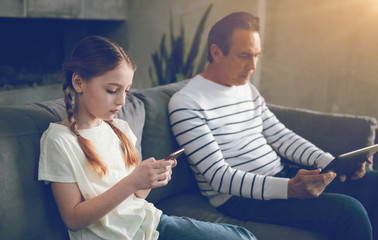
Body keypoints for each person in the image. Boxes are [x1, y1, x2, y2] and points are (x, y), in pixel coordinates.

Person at [168, 12, 378, 239]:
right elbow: (218, 176)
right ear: (216, 52)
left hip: (281, 175)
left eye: (256, 55)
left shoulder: (245, 88)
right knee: (350, 212)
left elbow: (282, 137)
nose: (252, 66)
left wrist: (332, 163)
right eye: (244, 56)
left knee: (373, 183)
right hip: (239, 198)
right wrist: (289, 188)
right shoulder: (186, 103)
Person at [37, 35, 257, 240]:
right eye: (112, 90)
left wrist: (150, 179)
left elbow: (137, 197)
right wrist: (132, 181)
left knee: (242, 235)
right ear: (78, 82)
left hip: (152, 224)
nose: (122, 101)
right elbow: (74, 219)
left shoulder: (119, 128)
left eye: (127, 91)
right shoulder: (58, 140)